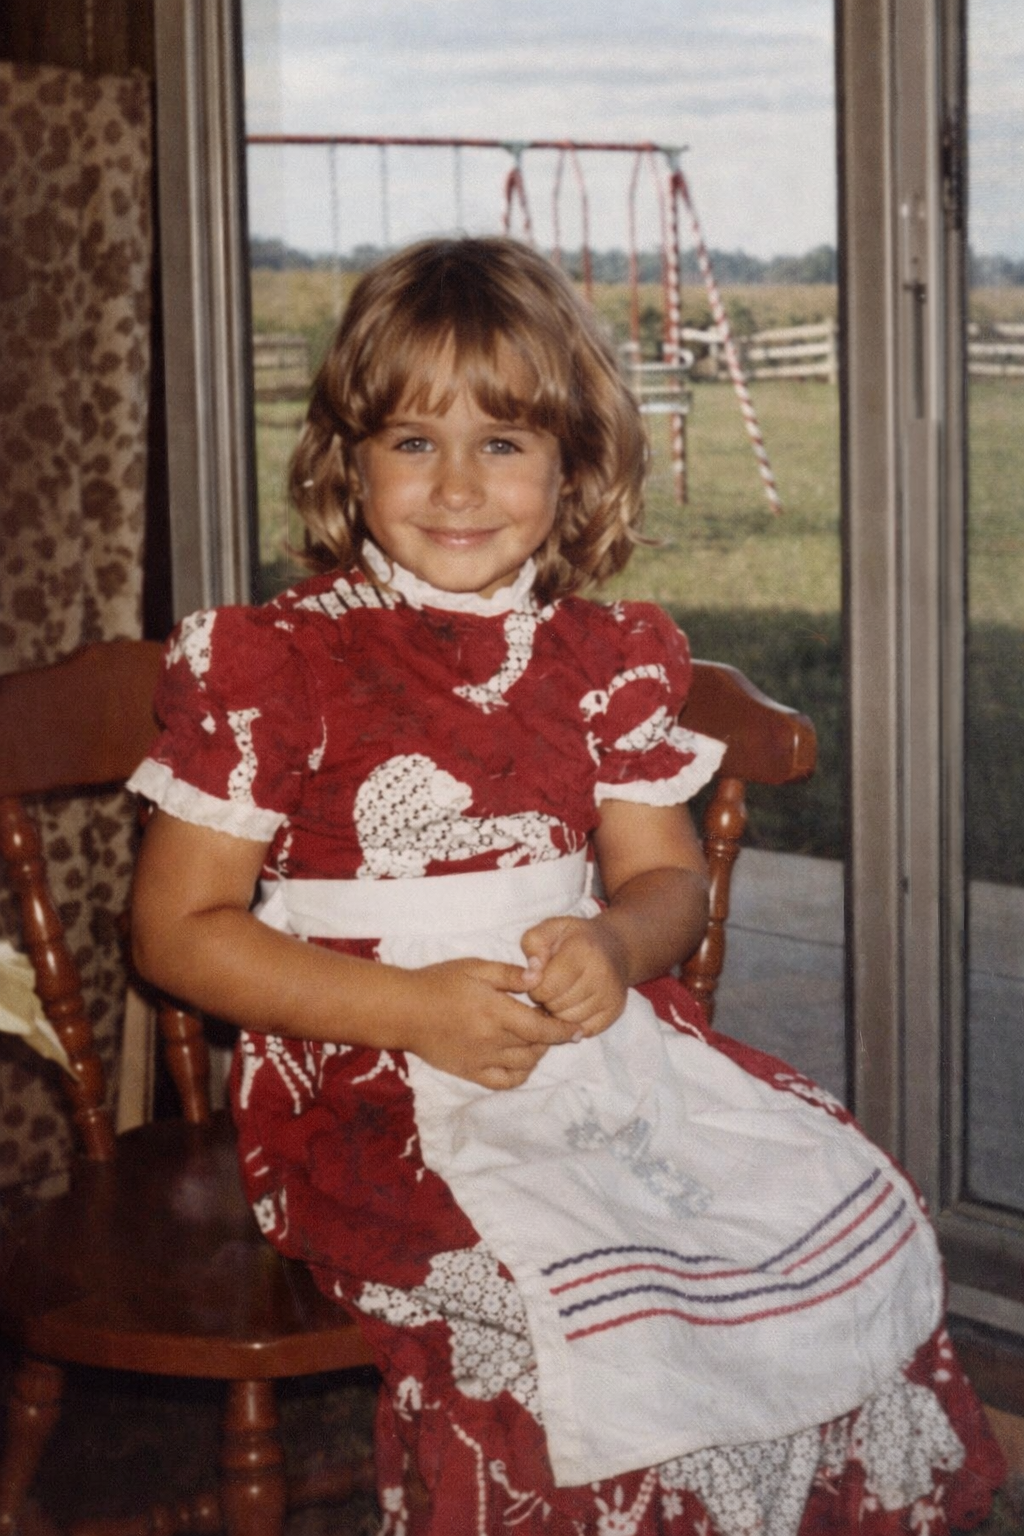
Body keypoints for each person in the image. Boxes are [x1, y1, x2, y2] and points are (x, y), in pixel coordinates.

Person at [130, 237, 1003, 1536]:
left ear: (571, 464)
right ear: (347, 462)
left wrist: (616, 940)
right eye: (414, 442)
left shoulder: (605, 659)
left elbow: (668, 881)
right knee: (537, 1330)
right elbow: (175, 937)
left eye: (507, 443)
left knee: (823, 1210)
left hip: (587, 1045)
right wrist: (413, 1011)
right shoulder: (274, 665)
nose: (460, 485)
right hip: (358, 1071)